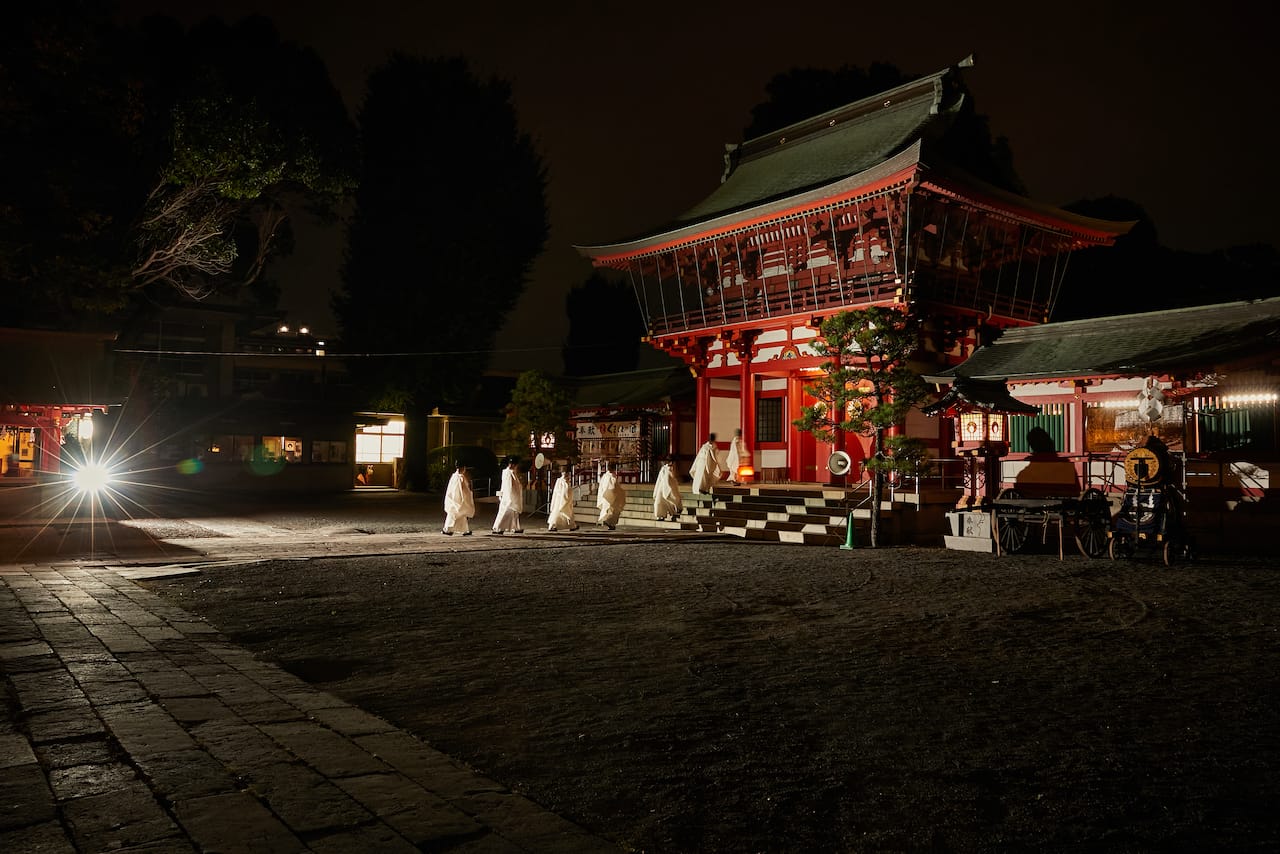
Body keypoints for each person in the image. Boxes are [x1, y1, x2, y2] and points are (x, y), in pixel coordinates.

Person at [492, 456, 524, 534]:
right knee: (507, 512)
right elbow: (508, 486)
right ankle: (499, 528)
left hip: (512, 495)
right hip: (509, 496)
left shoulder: (511, 472)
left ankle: (515, 527)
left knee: (514, 513)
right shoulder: (508, 473)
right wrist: (507, 496)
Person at [442, 461, 475, 536]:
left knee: (459, 514)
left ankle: (464, 530)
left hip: (453, 498)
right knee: (456, 514)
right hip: (459, 498)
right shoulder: (460, 477)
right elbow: (463, 489)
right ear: (463, 468)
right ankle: (447, 529)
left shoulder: (454, 476)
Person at [547, 465, 579, 531]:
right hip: (561, 499)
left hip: (563, 499)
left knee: (566, 512)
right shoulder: (561, 481)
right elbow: (562, 491)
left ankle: (572, 525)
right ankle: (553, 525)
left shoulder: (564, 481)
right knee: (559, 512)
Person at [596, 463, 626, 530]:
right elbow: (613, 486)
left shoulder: (604, 476)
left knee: (607, 509)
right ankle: (609, 522)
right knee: (612, 510)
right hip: (610, 495)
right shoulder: (611, 476)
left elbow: (602, 486)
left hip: (605, 495)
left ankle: (608, 522)